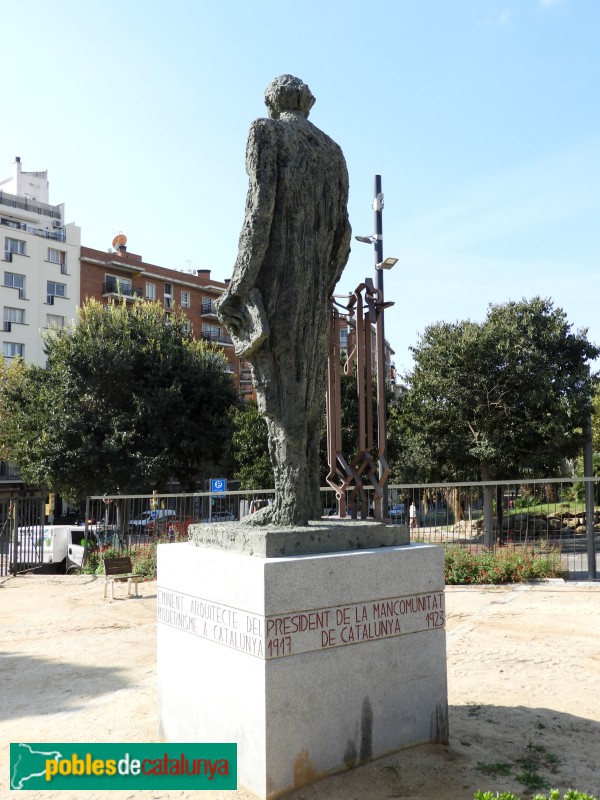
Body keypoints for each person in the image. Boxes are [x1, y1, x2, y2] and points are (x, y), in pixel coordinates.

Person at [217, 75, 351, 525]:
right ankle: (302, 500)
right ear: (308, 103)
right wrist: (324, 283)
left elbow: (259, 212)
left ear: (274, 102)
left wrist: (237, 287)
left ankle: (292, 504)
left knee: (277, 390)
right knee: (309, 390)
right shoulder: (334, 154)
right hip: (315, 288)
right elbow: (345, 235)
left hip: (276, 282)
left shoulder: (266, 132)